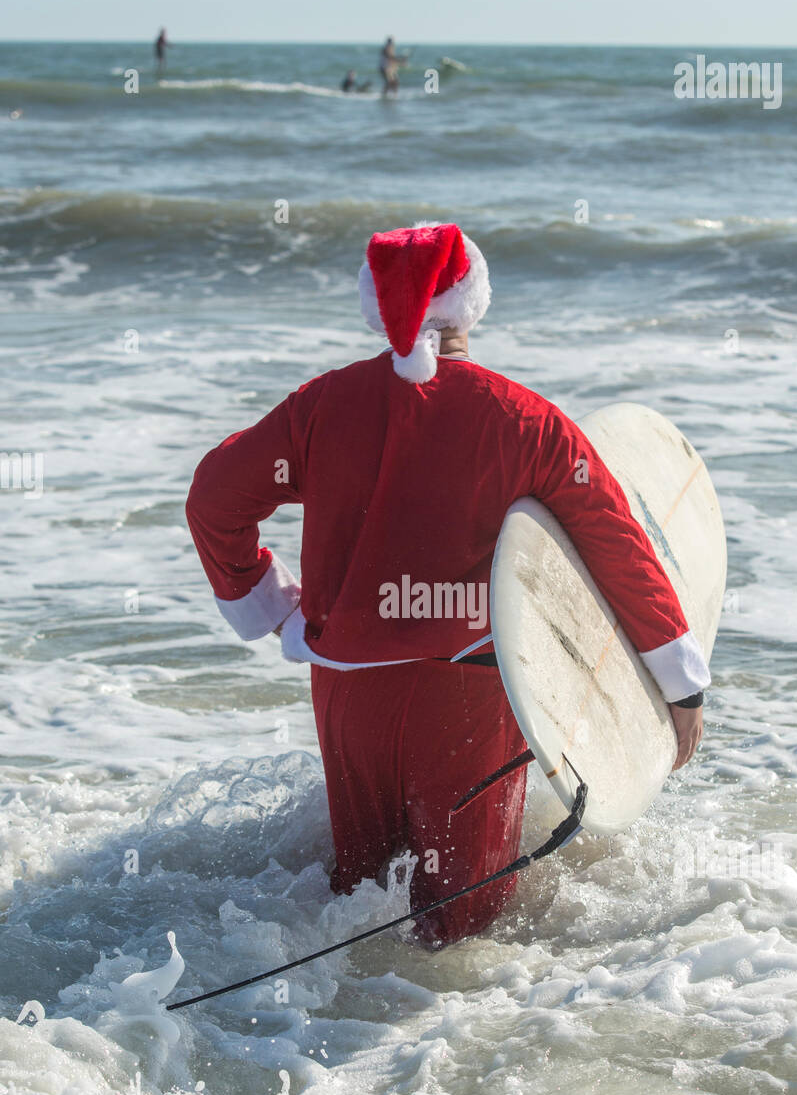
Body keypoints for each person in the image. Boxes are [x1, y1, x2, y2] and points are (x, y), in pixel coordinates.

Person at [186, 222, 710, 948]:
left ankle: (307, 1034)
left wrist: (271, 606)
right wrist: (679, 686)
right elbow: (615, 543)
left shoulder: (322, 407)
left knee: (358, 898)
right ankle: (436, 1045)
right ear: (472, 305)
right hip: (465, 695)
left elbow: (214, 495)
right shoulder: (526, 423)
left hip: (347, 691)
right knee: (464, 924)